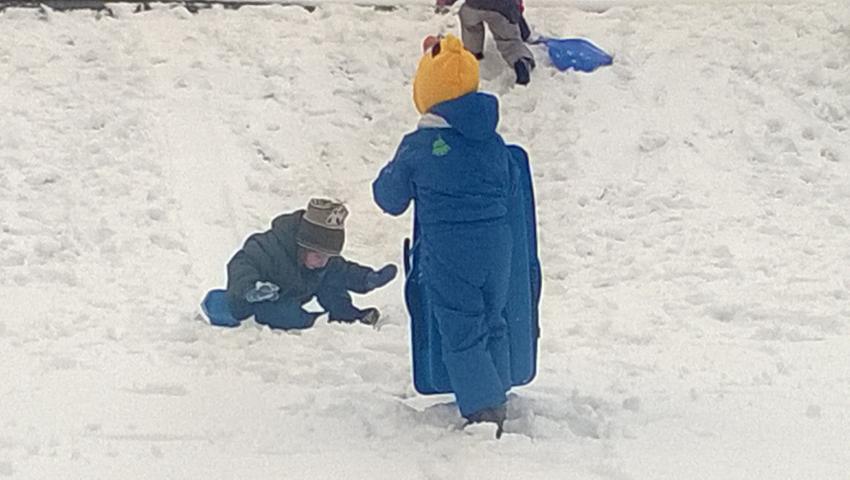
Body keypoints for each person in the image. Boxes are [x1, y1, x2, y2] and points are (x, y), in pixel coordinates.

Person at [372, 34, 524, 436]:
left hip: (451, 252)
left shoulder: (419, 146)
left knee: (462, 330)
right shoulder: (493, 141)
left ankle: (485, 411)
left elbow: (389, 198)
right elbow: (513, 186)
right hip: (498, 247)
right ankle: (497, 388)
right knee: (493, 319)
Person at [225, 198, 397, 330]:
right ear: (302, 246)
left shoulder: (320, 261)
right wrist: (251, 288)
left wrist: (367, 279)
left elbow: (341, 270)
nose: (323, 261)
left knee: (331, 283)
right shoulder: (271, 248)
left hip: (291, 295)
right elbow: (242, 263)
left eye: (328, 256)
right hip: (257, 301)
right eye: (318, 255)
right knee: (282, 312)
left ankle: (348, 316)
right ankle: (317, 323)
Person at [458, 0, 535, 85]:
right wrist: (525, 33)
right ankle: (520, 60)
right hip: (502, 9)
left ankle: (473, 53)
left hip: (473, 6)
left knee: (470, 26)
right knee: (509, 41)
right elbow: (517, 10)